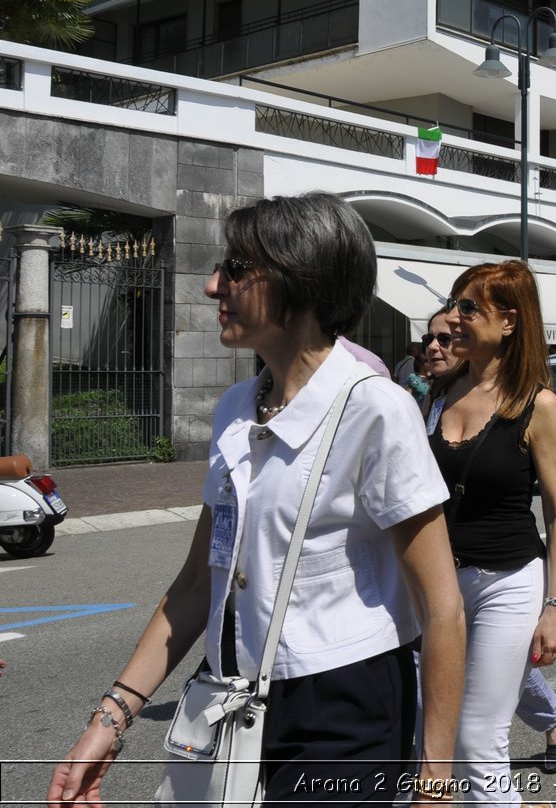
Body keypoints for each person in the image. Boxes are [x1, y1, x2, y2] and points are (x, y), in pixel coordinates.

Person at [48, 192, 466, 805]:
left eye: (238, 269)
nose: (216, 285)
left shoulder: (375, 408)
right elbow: (197, 583)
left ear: (303, 281)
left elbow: (442, 609)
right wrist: (108, 721)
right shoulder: (235, 410)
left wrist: (436, 782)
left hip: (342, 709)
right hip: (232, 696)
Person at [425, 261, 556, 800]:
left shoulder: (537, 405)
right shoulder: (437, 395)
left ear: (509, 322)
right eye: (454, 303)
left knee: (475, 742)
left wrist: (554, 607)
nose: (454, 317)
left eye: (470, 307)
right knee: (425, 739)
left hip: (506, 584)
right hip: (435, 588)